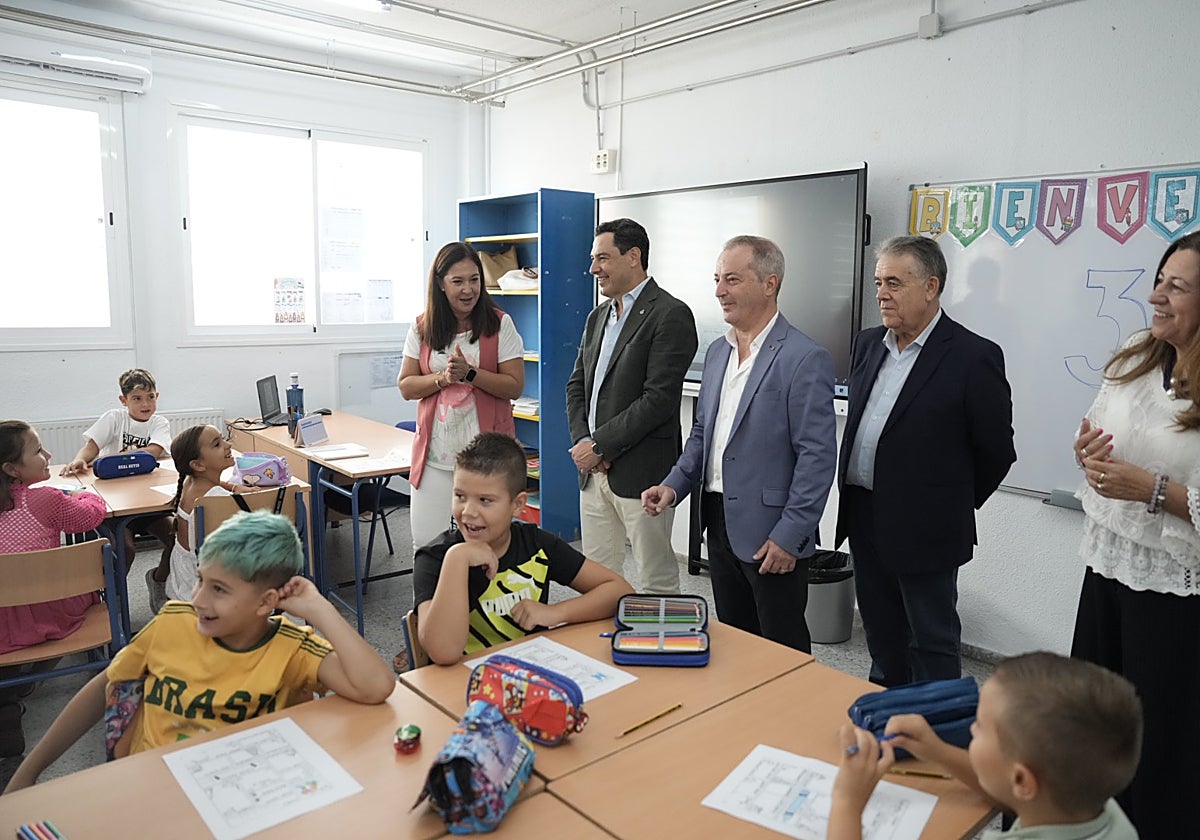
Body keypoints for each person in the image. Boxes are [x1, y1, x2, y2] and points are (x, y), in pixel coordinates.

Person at [3, 510, 395, 792]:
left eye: (219, 590)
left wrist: (319, 609)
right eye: (201, 580)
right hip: (152, 784)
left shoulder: (291, 649)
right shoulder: (174, 622)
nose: (199, 599)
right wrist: (29, 772)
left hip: (244, 792)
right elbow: (104, 686)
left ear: (266, 602)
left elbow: (376, 686)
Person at [835, 235, 1015, 686]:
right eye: (879, 283)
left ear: (931, 286)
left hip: (928, 526)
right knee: (881, 633)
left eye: (894, 283)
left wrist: (947, 503)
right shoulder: (867, 344)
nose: (882, 294)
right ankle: (888, 713)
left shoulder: (973, 356)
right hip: (864, 515)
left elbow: (996, 451)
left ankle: (939, 724)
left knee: (931, 640)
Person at [642, 236, 836, 652]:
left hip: (772, 533)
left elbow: (817, 459)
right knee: (736, 643)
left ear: (769, 283)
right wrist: (673, 485)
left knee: (782, 651)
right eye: (716, 279)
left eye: (731, 279)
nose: (719, 291)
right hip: (719, 523)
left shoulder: (804, 357)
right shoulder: (717, 352)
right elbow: (703, 435)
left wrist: (790, 535)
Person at [1070, 230, 1200, 838]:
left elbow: (1153, 482)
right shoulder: (1136, 352)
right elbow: (1098, 425)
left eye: (1178, 287)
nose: (1156, 296)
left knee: (1159, 737)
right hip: (1108, 566)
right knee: (1093, 721)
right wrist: (1087, 452)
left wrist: (1151, 489)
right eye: (1159, 280)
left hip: (1175, 591)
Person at [830, 652, 1141, 840]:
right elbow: (1013, 789)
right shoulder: (1104, 811)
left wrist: (847, 803)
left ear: (1021, 779)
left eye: (979, 725)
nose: (970, 729)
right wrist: (936, 749)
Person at [413, 432, 633, 664]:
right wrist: (457, 559)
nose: (468, 512)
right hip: (463, 680)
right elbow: (444, 652)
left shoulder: (537, 545)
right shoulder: (435, 558)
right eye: (460, 496)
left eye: (485, 500)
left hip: (531, 671)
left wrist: (556, 612)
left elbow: (620, 591)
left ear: (518, 504)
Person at [565, 218, 697, 593]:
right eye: (593, 259)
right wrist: (584, 444)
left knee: (656, 579)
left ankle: (660, 636)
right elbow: (576, 386)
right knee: (597, 578)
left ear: (633, 256)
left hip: (643, 474)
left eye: (602, 258)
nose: (593, 268)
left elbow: (658, 400)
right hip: (594, 473)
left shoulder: (670, 313)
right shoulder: (598, 317)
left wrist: (599, 446)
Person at [398, 242, 525, 552]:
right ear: (441, 284)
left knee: (489, 545)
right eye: (458, 281)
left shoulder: (500, 324)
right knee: (426, 545)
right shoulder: (422, 327)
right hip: (436, 456)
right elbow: (406, 386)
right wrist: (444, 378)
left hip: (487, 458)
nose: (468, 289)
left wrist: (470, 374)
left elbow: (514, 386)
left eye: (474, 280)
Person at [0, 420, 108, 758]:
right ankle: (34, 674)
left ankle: (8, 699)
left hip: (3, 618)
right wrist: (80, 494)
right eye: (37, 450)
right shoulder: (46, 499)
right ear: (12, 469)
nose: (47, 454)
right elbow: (92, 515)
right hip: (50, 612)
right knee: (87, 587)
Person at [60, 368, 176, 599]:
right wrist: (80, 459)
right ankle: (114, 598)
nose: (146, 404)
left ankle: (158, 579)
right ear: (124, 400)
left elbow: (153, 452)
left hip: (148, 501)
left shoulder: (159, 422)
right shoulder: (114, 418)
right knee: (125, 549)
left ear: (157, 396)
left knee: (177, 539)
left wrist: (110, 460)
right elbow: (92, 447)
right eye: (137, 398)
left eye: (150, 397)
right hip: (116, 503)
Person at [160, 425, 254, 611]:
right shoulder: (217, 500)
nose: (228, 445)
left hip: (183, 580)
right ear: (198, 465)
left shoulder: (190, 482)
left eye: (223, 438)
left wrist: (234, 487)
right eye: (217, 444)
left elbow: (215, 483)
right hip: (206, 589)